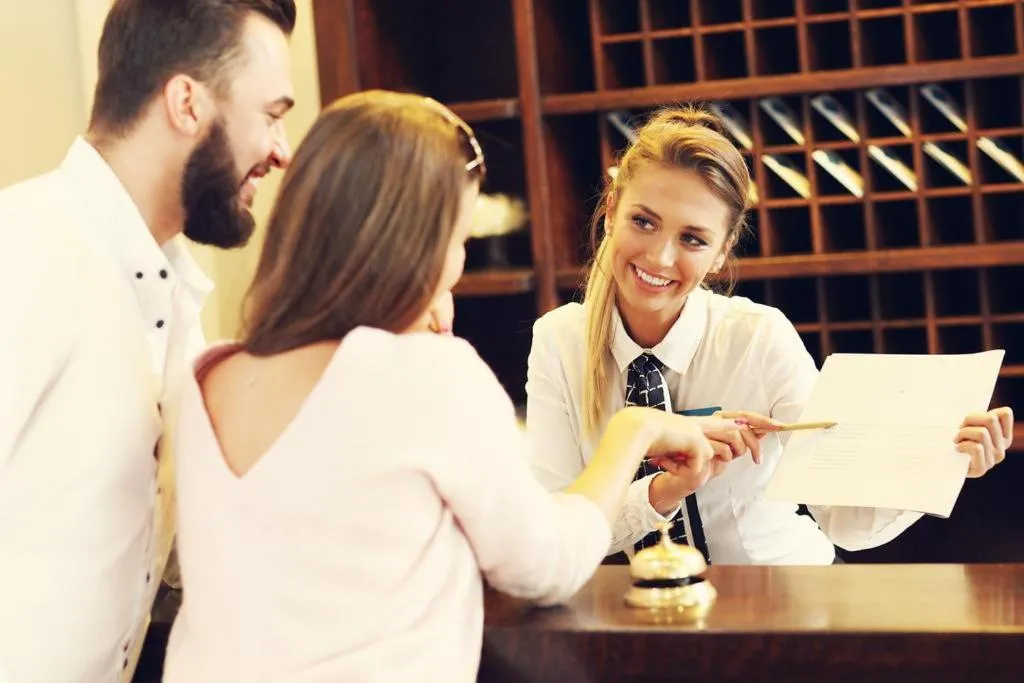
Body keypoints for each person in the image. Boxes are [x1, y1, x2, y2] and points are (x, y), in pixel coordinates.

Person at [161, 90, 734, 682]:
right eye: (457, 241)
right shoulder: (429, 375)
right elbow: (547, 563)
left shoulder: (209, 377)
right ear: (413, 246)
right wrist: (632, 431)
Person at [525, 105, 1014, 566]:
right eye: (643, 222)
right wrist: (664, 489)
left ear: (721, 252)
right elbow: (551, 532)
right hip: (654, 607)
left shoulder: (759, 337)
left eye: (693, 239)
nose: (660, 258)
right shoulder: (557, 341)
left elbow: (842, 520)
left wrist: (939, 468)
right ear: (611, 212)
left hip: (783, 597)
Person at [0, 1, 297, 680]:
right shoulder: (23, 249)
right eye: (272, 114)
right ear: (187, 103)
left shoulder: (176, 296)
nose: (282, 150)